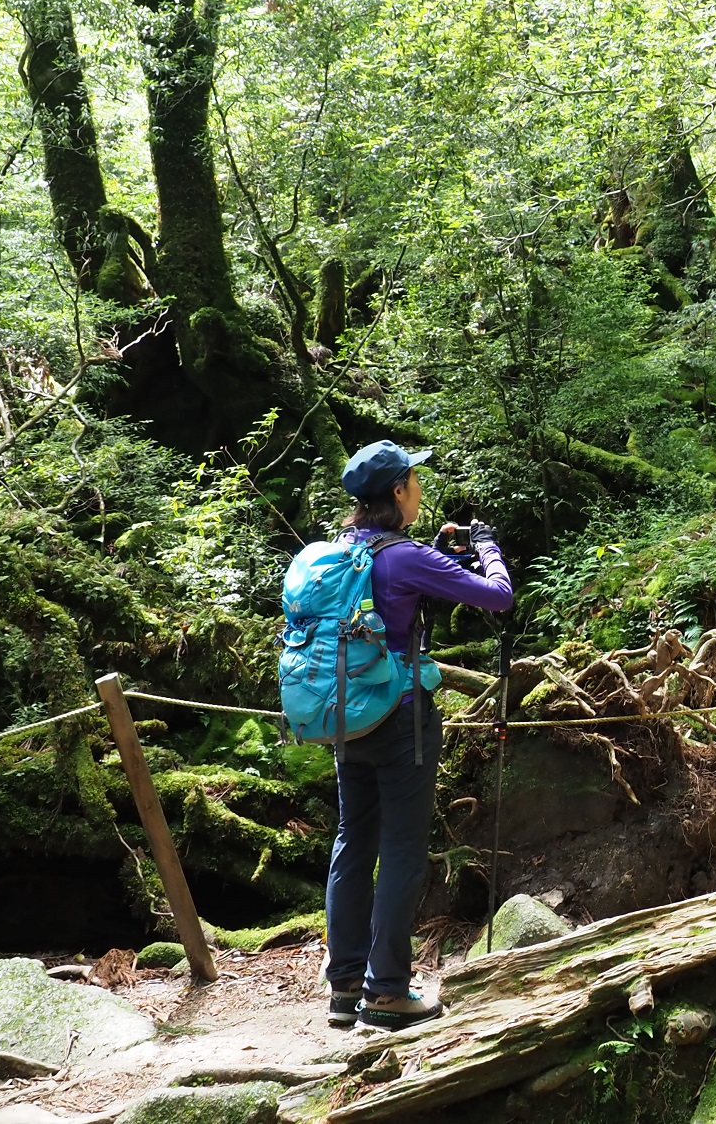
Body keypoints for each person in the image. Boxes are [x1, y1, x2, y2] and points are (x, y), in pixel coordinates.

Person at [323, 439, 512, 1031]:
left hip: (345, 720)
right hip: (402, 722)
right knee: (402, 850)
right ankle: (388, 993)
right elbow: (498, 597)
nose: (421, 489)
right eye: (415, 480)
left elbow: (387, 595)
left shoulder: (337, 552)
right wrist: (486, 547)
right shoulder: (402, 556)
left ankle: (345, 988)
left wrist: (434, 553)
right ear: (399, 492)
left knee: (353, 844)